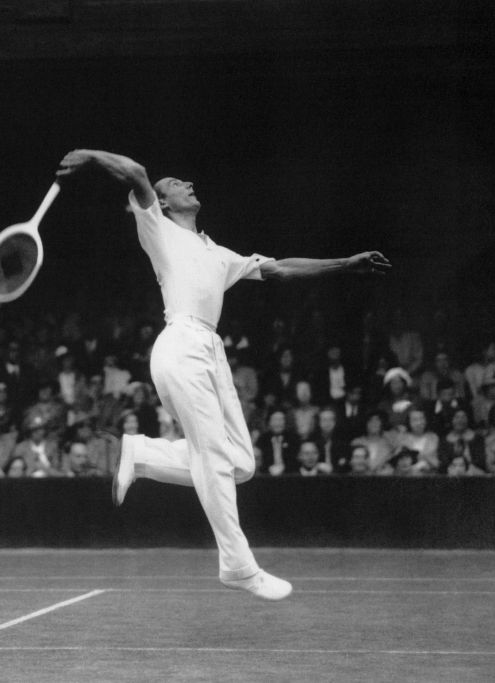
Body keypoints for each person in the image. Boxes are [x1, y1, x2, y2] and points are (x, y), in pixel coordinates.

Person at [57, 148, 390, 600]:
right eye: (176, 182)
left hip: (211, 350)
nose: (187, 184)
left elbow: (280, 269)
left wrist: (346, 264)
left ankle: (143, 453)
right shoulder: (156, 226)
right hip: (180, 344)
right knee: (213, 456)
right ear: (164, 202)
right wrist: (91, 157)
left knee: (241, 464)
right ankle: (237, 564)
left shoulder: (216, 252)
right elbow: (135, 172)